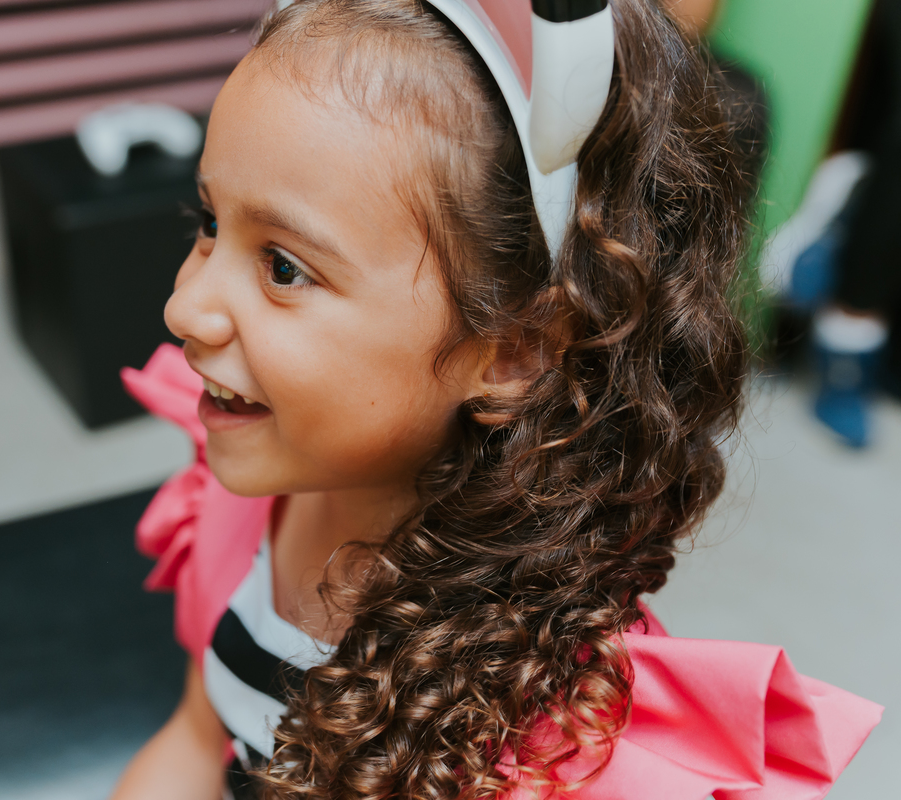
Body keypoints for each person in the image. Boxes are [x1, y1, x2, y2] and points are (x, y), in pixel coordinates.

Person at [112, 1, 882, 798]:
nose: (185, 307)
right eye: (209, 221)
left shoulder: (558, 733)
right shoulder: (251, 498)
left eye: (283, 267)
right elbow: (198, 740)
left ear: (513, 351)